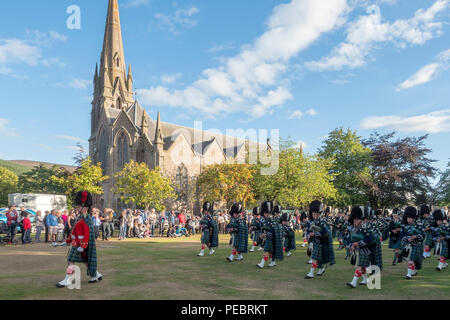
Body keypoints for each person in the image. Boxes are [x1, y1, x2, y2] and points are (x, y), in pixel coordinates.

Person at [56, 191, 102, 288]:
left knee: (70, 260)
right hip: (77, 243)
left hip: (81, 245)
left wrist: (82, 246)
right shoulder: (80, 217)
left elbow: (87, 234)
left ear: (84, 207)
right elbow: (74, 232)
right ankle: (96, 274)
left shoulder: (87, 218)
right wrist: (68, 240)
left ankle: (68, 279)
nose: (76, 208)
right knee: (85, 260)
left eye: (78, 207)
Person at [346, 206, 377, 288]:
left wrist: (359, 243)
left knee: (359, 266)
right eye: (354, 220)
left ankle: (353, 282)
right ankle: (365, 279)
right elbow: (348, 240)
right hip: (357, 251)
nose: (355, 222)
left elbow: (370, 238)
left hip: (365, 251)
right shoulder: (352, 229)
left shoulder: (365, 228)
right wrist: (351, 245)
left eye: (357, 220)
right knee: (362, 266)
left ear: (361, 220)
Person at [305, 200, 335, 279]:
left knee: (314, 257)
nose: (315, 215)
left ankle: (311, 272)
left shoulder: (322, 222)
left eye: (317, 213)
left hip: (322, 242)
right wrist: (308, 235)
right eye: (314, 213)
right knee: (319, 258)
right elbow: (308, 230)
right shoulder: (310, 222)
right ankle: (321, 269)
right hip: (315, 242)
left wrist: (315, 234)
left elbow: (325, 232)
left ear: (320, 213)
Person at [400, 206, 424, 280]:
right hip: (409, 245)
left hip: (417, 245)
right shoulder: (404, 226)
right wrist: (408, 238)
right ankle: (410, 273)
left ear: (414, 218)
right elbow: (402, 236)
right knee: (411, 259)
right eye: (408, 218)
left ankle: (410, 273)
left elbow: (423, 235)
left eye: (410, 218)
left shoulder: (419, 225)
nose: (409, 220)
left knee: (414, 260)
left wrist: (416, 237)